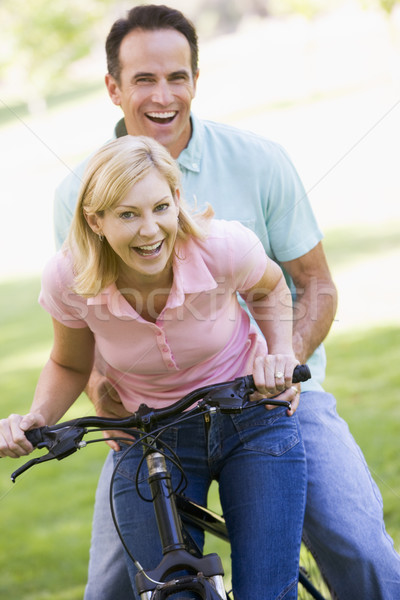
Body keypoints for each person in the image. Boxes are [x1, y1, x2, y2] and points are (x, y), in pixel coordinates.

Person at [53, 5, 400, 600]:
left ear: (195, 79)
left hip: (273, 395)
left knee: (359, 545)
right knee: (110, 585)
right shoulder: (77, 193)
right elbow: (82, 321)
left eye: (177, 76)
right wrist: (103, 400)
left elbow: (315, 285)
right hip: (156, 418)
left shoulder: (258, 159)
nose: (163, 95)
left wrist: (284, 362)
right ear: (113, 88)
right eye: (143, 79)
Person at [0, 134, 307, 599]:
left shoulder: (222, 246)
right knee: (165, 592)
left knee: (267, 589)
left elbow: (270, 290)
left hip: (249, 416)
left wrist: (280, 351)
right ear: (95, 221)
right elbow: (69, 362)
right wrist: (38, 418)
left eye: (161, 207)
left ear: (177, 200)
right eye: (128, 214)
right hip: (152, 436)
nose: (150, 230)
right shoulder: (69, 277)